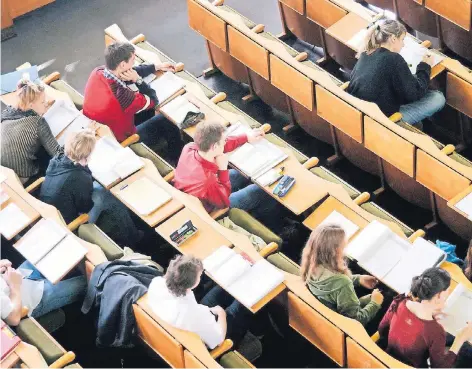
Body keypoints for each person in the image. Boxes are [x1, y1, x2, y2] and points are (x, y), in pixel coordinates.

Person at [82, 41, 183, 161]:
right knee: (166, 119)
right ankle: (177, 157)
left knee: (149, 111)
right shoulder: (124, 98)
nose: (134, 62)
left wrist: (155, 67)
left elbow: (125, 74)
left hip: (105, 128)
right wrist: (138, 80)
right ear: (123, 65)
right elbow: (153, 99)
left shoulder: (98, 72)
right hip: (122, 140)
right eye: (132, 60)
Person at [39, 130, 142, 246]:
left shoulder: (56, 160)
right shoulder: (80, 177)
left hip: (52, 217)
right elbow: (85, 206)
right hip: (71, 225)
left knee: (99, 190)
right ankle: (132, 235)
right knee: (106, 195)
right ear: (86, 157)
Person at [173, 121, 279, 222]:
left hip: (193, 193)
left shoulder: (190, 148)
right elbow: (223, 203)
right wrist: (223, 169)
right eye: (223, 141)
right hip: (212, 208)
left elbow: (221, 145)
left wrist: (246, 137)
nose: (225, 142)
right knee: (259, 190)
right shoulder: (208, 181)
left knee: (239, 172)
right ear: (214, 146)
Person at [347, 18, 445, 126]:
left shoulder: (365, 54)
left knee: (418, 123)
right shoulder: (394, 58)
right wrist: (425, 65)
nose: (403, 45)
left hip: (359, 113)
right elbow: (415, 93)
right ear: (393, 38)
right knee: (438, 98)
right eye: (402, 39)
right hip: (381, 122)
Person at [148, 255, 250, 349]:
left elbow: (195, 311)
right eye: (200, 275)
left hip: (186, 323)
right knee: (240, 302)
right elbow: (219, 339)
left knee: (221, 289)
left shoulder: (156, 284)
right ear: (191, 284)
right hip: (204, 337)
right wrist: (221, 313)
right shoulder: (191, 313)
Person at [378, 267, 472, 368]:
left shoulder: (399, 301)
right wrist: (460, 339)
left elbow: (382, 330)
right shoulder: (435, 331)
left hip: (385, 359)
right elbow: (439, 366)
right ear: (439, 296)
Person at [300, 224, 384, 326]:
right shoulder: (343, 283)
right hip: (344, 325)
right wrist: (375, 303)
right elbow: (356, 320)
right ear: (335, 251)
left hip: (326, 317)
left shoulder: (310, 265)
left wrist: (358, 279)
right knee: (386, 299)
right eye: (343, 247)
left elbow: (333, 284)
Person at [1, 79, 61, 183]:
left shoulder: (7, 112)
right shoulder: (37, 122)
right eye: (42, 102)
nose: (46, 104)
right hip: (23, 176)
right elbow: (57, 154)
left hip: (3, 171)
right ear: (31, 105)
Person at [0, 259, 86, 325]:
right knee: (88, 282)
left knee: (58, 249)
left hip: (18, 275)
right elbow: (13, 319)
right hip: (30, 298)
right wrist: (15, 286)